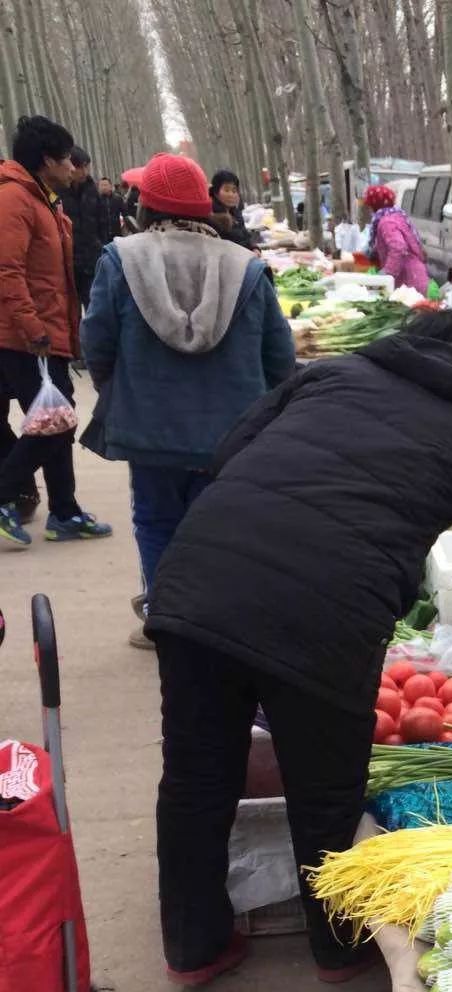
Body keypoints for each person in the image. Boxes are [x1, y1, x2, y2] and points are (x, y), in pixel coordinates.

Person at [144, 309, 452, 987]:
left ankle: (195, 948)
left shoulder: (329, 375)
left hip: (196, 588)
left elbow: (227, 450)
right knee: (325, 787)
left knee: (195, 776)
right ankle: (336, 949)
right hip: (324, 613)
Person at [80, 151, 295, 642]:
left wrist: (125, 391)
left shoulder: (121, 261)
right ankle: (218, 627)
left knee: (157, 523)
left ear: (145, 206)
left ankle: (167, 623)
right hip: (232, 432)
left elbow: (97, 343)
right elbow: (280, 358)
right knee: (221, 530)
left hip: (150, 430)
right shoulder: (246, 268)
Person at [0, 114, 112, 548]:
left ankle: (64, 512)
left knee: (57, 421)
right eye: (66, 160)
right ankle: (6, 494)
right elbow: (7, 271)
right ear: (47, 161)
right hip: (26, 337)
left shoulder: (43, 198)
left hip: (50, 332)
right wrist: (33, 328)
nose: (73, 168)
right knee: (56, 423)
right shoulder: (14, 200)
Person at [60, 145, 109, 310]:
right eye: (81, 167)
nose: (85, 172)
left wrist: (101, 245)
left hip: (92, 259)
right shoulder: (57, 193)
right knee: (72, 312)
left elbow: (103, 222)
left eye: (87, 166)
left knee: (96, 307)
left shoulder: (92, 190)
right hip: (68, 262)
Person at [362, 182, 429, 292]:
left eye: (369, 206)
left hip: (408, 281)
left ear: (375, 205)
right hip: (415, 276)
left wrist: (387, 274)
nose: (369, 210)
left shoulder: (386, 222)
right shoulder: (397, 216)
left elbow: (398, 247)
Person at [208, 168, 254, 249]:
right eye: (226, 190)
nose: (231, 194)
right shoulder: (212, 215)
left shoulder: (236, 213)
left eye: (234, 191)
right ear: (215, 192)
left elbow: (246, 236)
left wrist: (254, 248)